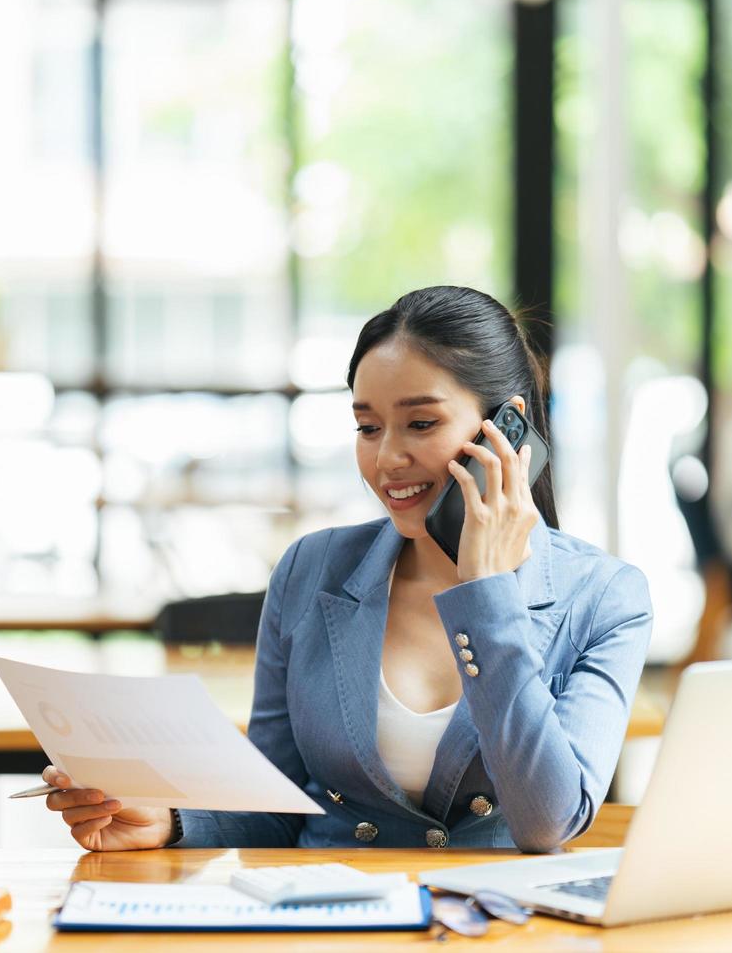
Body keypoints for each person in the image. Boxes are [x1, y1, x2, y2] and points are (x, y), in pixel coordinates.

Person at [41, 286, 653, 853]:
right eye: (367, 427)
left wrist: (487, 591)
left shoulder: (605, 599)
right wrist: (172, 821)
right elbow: (277, 805)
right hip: (328, 919)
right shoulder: (312, 569)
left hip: (497, 925)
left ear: (507, 430)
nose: (388, 458)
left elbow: (547, 820)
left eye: (421, 423)